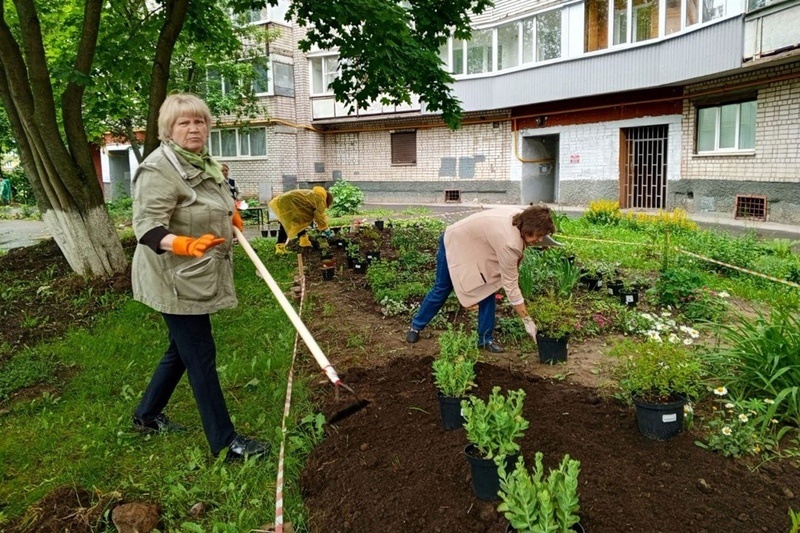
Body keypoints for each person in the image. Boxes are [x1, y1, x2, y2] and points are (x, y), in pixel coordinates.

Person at [130, 93, 269, 461]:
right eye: (184, 123)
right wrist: (186, 245)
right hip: (172, 275)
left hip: (195, 274)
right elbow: (146, 228)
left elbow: (212, 200)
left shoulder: (204, 163)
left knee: (181, 349)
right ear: (168, 128)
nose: (194, 128)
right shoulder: (159, 169)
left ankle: (145, 415)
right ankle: (226, 443)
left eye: (200, 121)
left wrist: (231, 216)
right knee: (200, 353)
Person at [406, 205, 559, 353]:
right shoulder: (510, 243)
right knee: (442, 288)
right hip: (454, 240)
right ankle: (416, 326)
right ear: (527, 230)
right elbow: (511, 285)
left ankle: (485, 340)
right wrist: (527, 320)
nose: (539, 240)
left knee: (488, 288)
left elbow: (534, 234)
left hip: (477, 246)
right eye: (538, 236)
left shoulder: (523, 217)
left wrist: (546, 241)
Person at [268, 187, 333, 254]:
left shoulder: (315, 195)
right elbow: (319, 215)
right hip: (289, 201)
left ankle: (304, 242)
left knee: (299, 221)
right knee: (287, 224)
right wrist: (325, 228)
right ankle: (280, 247)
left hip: (285, 200)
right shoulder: (321, 200)